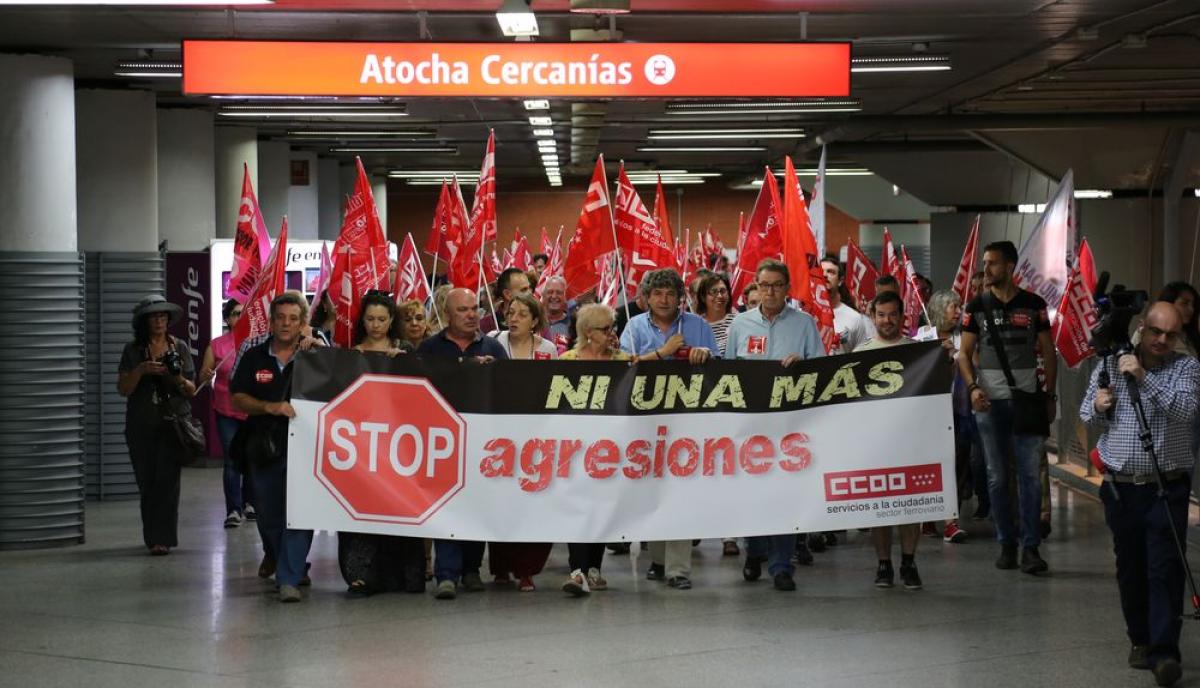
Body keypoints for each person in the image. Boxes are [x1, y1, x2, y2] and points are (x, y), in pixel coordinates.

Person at [1081, 302, 1200, 687]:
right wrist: (1100, 406)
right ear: (1142, 329)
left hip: (1168, 486)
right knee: (1130, 567)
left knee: (1164, 569)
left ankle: (1165, 653)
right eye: (1156, 332)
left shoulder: (1187, 368)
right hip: (1121, 488)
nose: (1162, 340)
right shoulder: (1110, 363)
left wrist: (1143, 377)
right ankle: (1140, 639)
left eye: (1171, 335)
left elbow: (1184, 410)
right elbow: (1088, 414)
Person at [725, 258, 824, 590]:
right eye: (763, 285)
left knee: (785, 495)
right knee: (754, 494)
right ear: (755, 286)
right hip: (751, 426)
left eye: (776, 285)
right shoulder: (740, 324)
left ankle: (782, 566)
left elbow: (824, 372)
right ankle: (755, 551)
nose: (769, 291)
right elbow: (727, 374)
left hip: (791, 426)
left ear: (787, 288)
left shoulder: (805, 324)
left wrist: (805, 363)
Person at [958, 240, 1056, 575]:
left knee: (1029, 476)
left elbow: (1049, 350)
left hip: (1027, 400)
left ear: (1010, 266)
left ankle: (1031, 547)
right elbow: (963, 353)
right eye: (985, 262)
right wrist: (972, 387)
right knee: (997, 478)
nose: (987, 269)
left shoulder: (1034, 305)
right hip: (989, 404)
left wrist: (1050, 396)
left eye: (993, 263)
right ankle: (1006, 542)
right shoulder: (976, 307)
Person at [620, 268, 719, 590]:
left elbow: (722, 367)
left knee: (680, 491)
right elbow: (625, 365)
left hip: (687, 420)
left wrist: (707, 356)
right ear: (646, 298)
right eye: (657, 293)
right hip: (644, 422)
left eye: (670, 294)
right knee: (650, 492)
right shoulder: (633, 327)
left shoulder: (698, 326)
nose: (664, 299)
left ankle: (678, 569)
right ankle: (659, 559)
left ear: (681, 298)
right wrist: (662, 353)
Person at [417, 287, 508, 599]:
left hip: (482, 443)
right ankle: (446, 574)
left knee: (476, 507)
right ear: (447, 315)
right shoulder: (429, 348)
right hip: (443, 442)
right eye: (463, 310)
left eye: (474, 309)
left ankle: (471, 569)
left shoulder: (494, 348)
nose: (472, 315)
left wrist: (493, 374)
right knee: (447, 507)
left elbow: (510, 393)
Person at [230, 292, 322, 603]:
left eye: (293, 318)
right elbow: (237, 397)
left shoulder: (315, 354)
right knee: (268, 516)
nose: (286, 324)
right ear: (271, 321)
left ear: (303, 323)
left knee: (301, 512)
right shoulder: (254, 356)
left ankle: (288, 577)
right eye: (280, 318)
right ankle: (279, 556)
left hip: (308, 449)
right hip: (264, 446)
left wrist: (321, 349)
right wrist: (270, 407)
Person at [336, 292, 425, 596]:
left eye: (382, 320)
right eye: (370, 319)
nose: (376, 325)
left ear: (391, 322)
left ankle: (404, 576)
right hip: (362, 445)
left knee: (399, 509)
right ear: (362, 320)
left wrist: (406, 364)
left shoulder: (405, 350)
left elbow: (422, 390)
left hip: (400, 445)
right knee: (362, 510)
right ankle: (360, 575)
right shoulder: (350, 354)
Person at [117, 295, 197, 556]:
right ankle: (152, 536)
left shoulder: (179, 347)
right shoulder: (133, 350)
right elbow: (123, 389)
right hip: (141, 424)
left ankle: (163, 539)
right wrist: (141, 371)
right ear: (144, 321)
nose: (159, 320)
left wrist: (176, 377)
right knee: (147, 481)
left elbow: (191, 389)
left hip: (172, 423)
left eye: (163, 316)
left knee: (168, 482)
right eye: (154, 316)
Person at [559, 304, 630, 595]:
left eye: (613, 328)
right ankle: (576, 571)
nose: (612, 334)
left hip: (611, 450)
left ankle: (593, 570)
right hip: (575, 448)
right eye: (606, 329)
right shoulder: (566, 361)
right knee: (578, 507)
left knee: (602, 508)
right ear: (588, 333)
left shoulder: (623, 360)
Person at [854, 291, 923, 589]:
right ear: (873, 317)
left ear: (902, 317)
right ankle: (884, 564)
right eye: (881, 315)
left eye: (892, 314)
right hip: (875, 444)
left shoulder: (919, 352)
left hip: (910, 441)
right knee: (879, 507)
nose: (887, 320)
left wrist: (944, 360)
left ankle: (909, 561)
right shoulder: (860, 353)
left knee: (911, 506)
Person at [199, 298, 255, 529]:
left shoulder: (256, 343)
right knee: (232, 460)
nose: (238, 318)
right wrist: (205, 373)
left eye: (243, 313)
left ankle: (250, 502)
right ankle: (233, 509)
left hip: (252, 409)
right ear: (227, 318)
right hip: (226, 409)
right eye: (234, 313)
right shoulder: (217, 345)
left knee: (252, 457)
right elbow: (205, 373)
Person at [926, 290, 970, 544]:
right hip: (931, 415)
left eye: (959, 306)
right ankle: (930, 517)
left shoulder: (963, 338)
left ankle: (951, 520)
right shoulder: (923, 337)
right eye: (952, 306)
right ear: (938, 309)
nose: (957, 311)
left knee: (957, 465)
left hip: (959, 411)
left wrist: (959, 354)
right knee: (934, 464)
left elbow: (971, 364)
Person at [821, 255, 869, 354]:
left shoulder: (855, 318)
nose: (824, 275)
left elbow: (862, 357)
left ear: (840, 281)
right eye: (821, 271)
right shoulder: (806, 316)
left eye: (831, 272)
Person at [481, 267, 532, 334]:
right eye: (523, 290)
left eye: (529, 288)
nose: (530, 293)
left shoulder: (537, 321)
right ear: (507, 294)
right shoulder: (484, 326)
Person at [696, 272, 737, 352]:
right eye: (713, 291)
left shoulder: (738, 321)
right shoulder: (695, 325)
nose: (719, 296)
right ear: (703, 297)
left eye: (723, 291)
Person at [539, 275, 572, 348]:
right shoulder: (534, 321)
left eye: (559, 292)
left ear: (565, 296)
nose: (554, 296)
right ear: (543, 296)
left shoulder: (573, 324)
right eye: (550, 292)